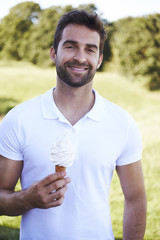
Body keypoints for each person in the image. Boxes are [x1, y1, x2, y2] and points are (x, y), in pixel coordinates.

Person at [0, 10, 147, 240]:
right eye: (70, 46)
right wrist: (27, 199)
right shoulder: (18, 119)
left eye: (90, 49)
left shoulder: (122, 123)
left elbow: (136, 199)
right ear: (53, 53)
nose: (80, 57)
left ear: (99, 59)